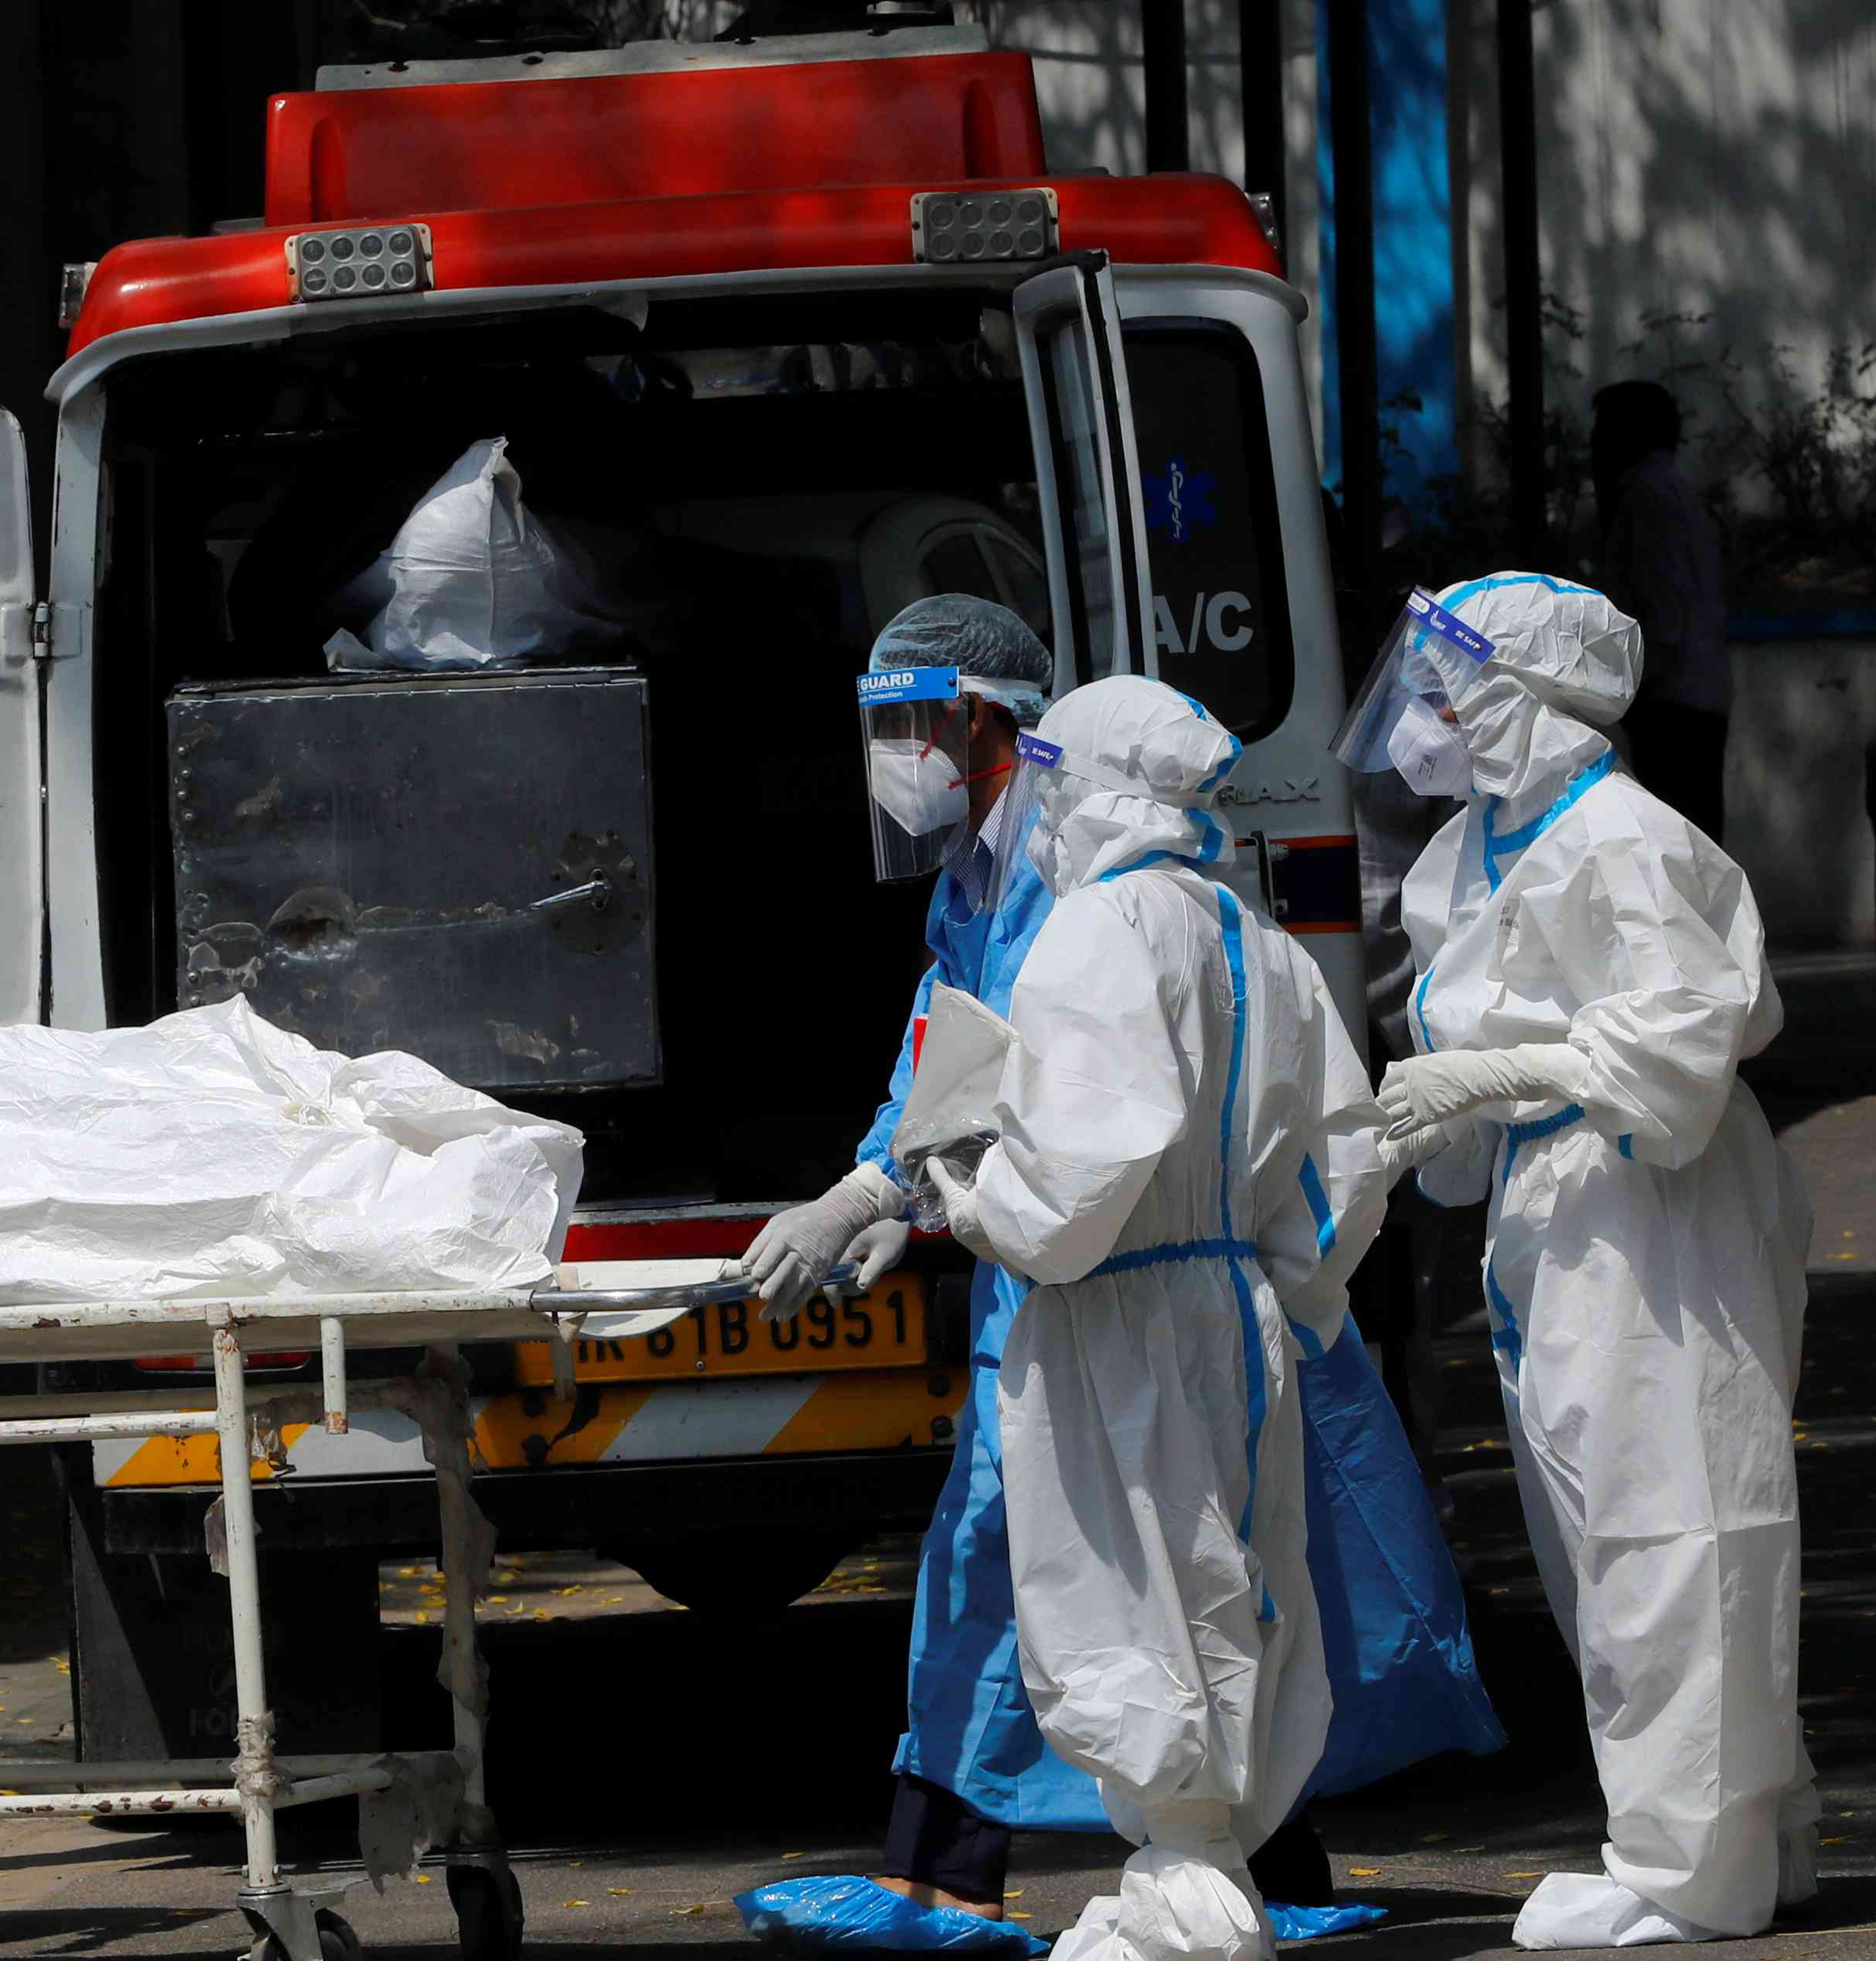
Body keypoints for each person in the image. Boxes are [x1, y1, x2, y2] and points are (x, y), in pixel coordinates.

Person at [736, 609, 1499, 1959]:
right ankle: (1229, 1862)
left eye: (918, 721)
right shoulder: (1217, 922)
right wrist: (1287, 1281)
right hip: (1208, 1297)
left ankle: (1134, 1880)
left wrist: (948, 1199)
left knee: (1118, 1590)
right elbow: (1332, 1149)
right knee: (1219, 1577)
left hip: (1090, 1289)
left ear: (1008, 730)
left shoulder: (1081, 913)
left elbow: (1056, 1149)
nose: (901, 755)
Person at [1336, 577, 1818, 1947]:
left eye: (1446, 688)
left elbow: (1683, 1050)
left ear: (1524, 698)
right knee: (1600, 1531)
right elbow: (1479, 1027)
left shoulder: (1623, 838)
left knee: (1674, 1519)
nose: (1419, 716)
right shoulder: (1483, 845)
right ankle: (1750, 1830)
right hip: (1561, 1197)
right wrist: (1445, 1112)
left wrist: (1498, 1074)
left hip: (1652, 1199)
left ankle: (1688, 1868)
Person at [1591, 382, 1732, 843]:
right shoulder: (1680, 495)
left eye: (1602, 429)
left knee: (1674, 845)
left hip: (1671, 704)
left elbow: (1664, 618)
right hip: (1696, 696)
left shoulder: (1647, 500)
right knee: (1694, 842)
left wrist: (1631, 693)